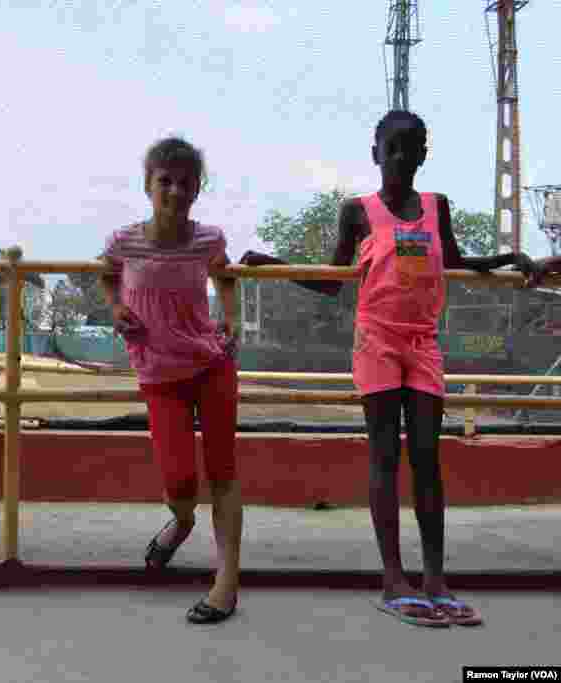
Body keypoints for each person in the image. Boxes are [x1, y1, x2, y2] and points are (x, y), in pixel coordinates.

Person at [241, 111, 538, 627]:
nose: (401, 158)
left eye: (412, 148)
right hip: (376, 340)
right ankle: (393, 579)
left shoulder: (434, 206)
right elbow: (334, 280)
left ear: (424, 154)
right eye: (392, 148)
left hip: (422, 343)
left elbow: (457, 261)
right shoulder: (357, 211)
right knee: (384, 455)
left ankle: (436, 580)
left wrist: (513, 257)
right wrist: (271, 264)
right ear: (375, 152)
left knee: (427, 456)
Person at [99, 137, 241, 624]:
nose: (176, 191)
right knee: (179, 482)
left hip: (211, 364)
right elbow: (107, 274)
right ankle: (180, 523)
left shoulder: (209, 239)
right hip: (159, 374)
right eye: (166, 181)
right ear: (148, 185)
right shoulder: (124, 241)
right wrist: (116, 306)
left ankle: (226, 583)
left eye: (186, 183)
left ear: (197, 189)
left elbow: (225, 276)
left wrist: (231, 318)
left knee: (222, 473)